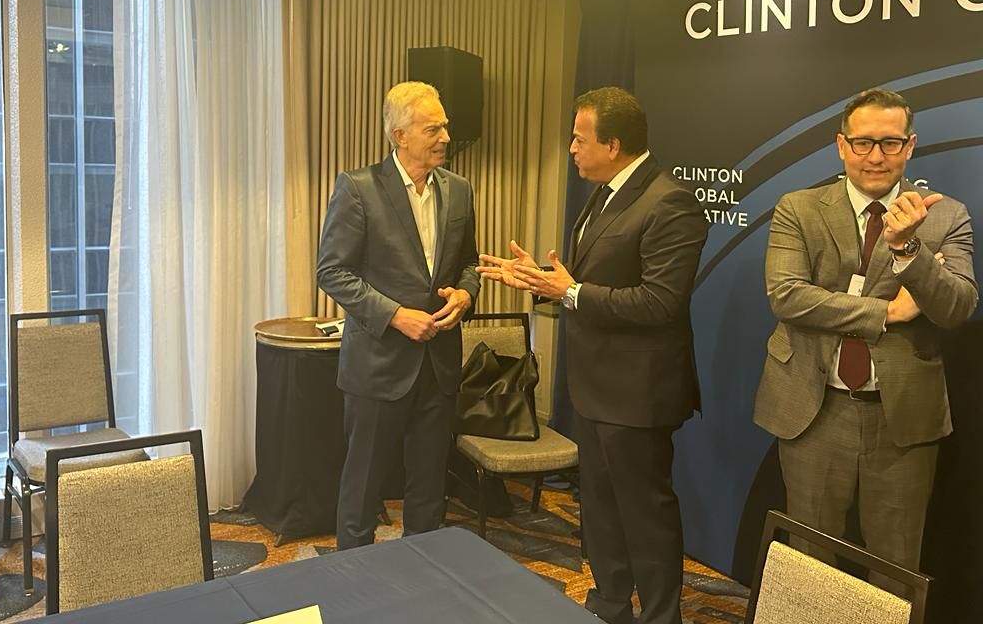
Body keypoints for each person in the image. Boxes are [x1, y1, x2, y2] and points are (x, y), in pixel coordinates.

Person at [478, 86, 708, 624]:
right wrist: (541, 282)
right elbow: (586, 283)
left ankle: (660, 617)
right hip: (595, 387)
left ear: (613, 144)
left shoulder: (669, 202)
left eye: (579, 139)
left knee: (644, 516)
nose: (572, 149)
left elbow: (661, 302)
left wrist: (571, 291)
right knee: (601, 509)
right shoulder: (603, 194)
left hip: (638, 395)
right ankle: (609, 605)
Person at [754, 87, 978, 573]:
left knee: (895, 567)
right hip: (813, 411)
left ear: (910, 145)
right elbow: (787, 295)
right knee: (809, 562)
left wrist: (909, 250)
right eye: (863, 143)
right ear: (842, 145)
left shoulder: (944, 215)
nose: (876, 156)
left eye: (890, 143)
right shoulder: (799, 208)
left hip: (902, 419)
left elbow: (956, 308)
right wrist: (888, 313)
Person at [316, 81, 480, 550]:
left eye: (445, 126)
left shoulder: (460, 191)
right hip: (378, 366)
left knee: (429, 488)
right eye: (433, 129)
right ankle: (352, 579)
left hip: (439, 365)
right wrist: (395, 316)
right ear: (399, 135)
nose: (445, 137)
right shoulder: (358, 188)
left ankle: (420, 579)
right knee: (362, 488)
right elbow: (332, 272)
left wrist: (465, 294)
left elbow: (470, 263)